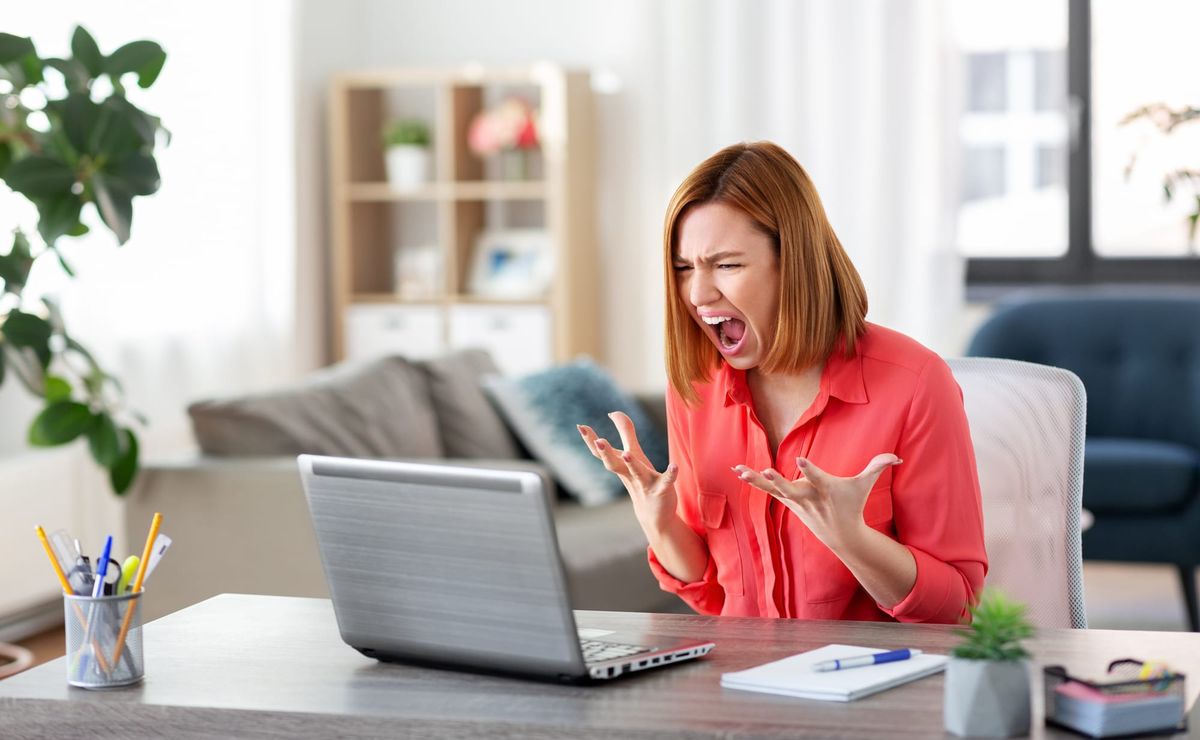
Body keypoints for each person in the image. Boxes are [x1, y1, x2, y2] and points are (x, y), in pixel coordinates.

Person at [577, 141, 987, 623]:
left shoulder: (914, 383)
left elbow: (957, 608)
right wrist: (659, 521)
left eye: (727, 265)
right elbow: (711, 597)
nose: (698, 293)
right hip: (741, 678)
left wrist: (851, 539)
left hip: (870, 680)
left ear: (794, 262)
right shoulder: (697, 384)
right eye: (685, 268)